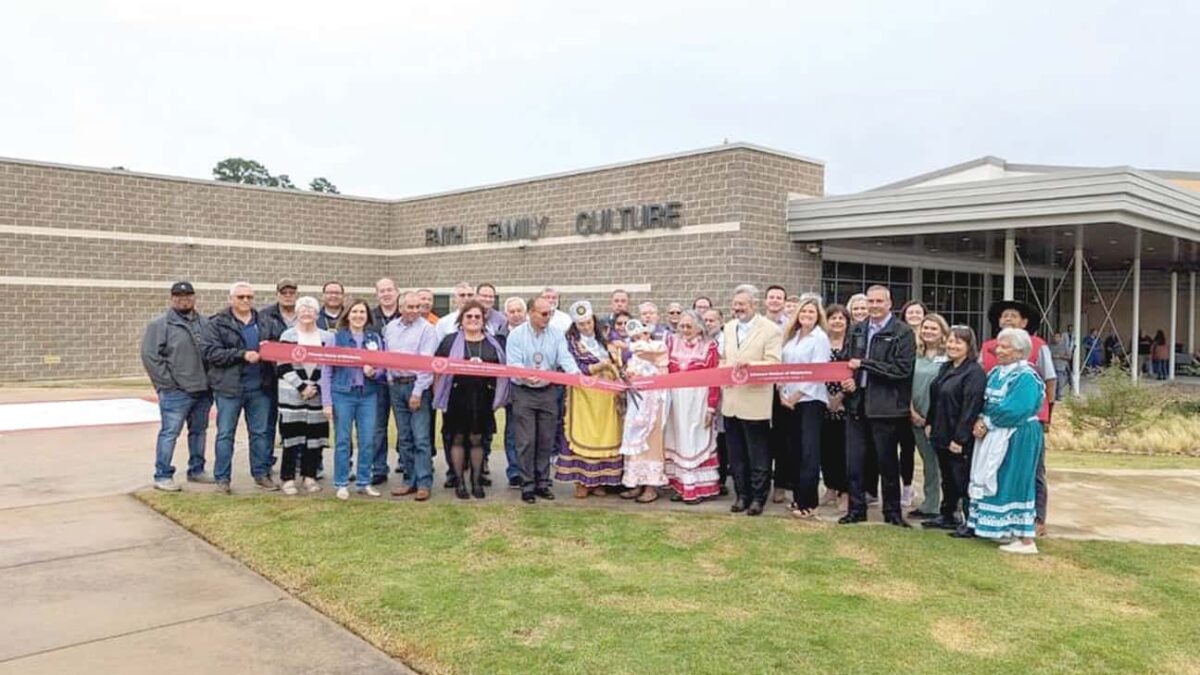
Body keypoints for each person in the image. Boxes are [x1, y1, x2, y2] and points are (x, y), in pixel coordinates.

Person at [840, 285, 916, 528]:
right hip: (857, 404)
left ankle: (892, 513)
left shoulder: (902, 332)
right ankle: (856, 510)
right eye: (870, 301)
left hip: (886, 406)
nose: (874, 306)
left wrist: (865, 364)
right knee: (854, 463)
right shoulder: (857, 329)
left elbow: (902, 369)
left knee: (887, 463)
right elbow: (847, 362)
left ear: (889, 303)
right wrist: (848, 379)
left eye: (878, 301)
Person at [981, 300, 1055, 537]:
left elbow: (1049, 380)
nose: (1008, 319)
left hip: (1026, 419)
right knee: (1001, 469)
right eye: (1004, 316)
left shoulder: (1037, 347)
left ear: (1024, 322)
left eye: (1013, 316)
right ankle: (1000, 521)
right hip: (996, 420)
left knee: (1031, 471)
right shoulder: (989, 347)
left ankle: (1036, 519)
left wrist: (1048, 413)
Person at [968, 328, 1045, 554]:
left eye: (1005, 347)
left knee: (1018, 479)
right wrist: (981, 418)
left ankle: (1026, 538)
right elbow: (986, 402)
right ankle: (1006, 529)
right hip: (996, 431)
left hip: (1018, 434)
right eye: (998, 346)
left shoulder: (1026, 376)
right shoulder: (996, 373)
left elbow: (1017, 409)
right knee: (1001, 477)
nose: (999, 350)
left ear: (1020, 351)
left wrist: (987, 422)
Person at [202, 282, 277, 493]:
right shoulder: (216, 323)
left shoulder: (264, 321)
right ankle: (222, 479)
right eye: (241, 297)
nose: (245, 300)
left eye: (249, 297)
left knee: (260, 433)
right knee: (225, 434)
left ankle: (261, 474)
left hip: (260, 387)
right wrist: (241, 355)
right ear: (231, 299)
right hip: (229, 388)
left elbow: (277, 346)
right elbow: (210, 353)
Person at [505, 296, 580, 503]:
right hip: (523, 392)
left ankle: (543, 483)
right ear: (531, 313)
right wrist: (525, 374)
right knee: (526, 440)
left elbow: (565, 358)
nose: (548, 317)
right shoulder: (516, 335)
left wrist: (576, 375)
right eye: (544, 313)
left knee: (546, 439)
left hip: (548, 392)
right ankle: (527, 484)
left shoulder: (557, 334)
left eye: (551, 313)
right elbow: (513, 363)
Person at [433, 300, 509, 499]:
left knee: (478, 439)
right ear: (462, 319)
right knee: (457, 438)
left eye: (477, 316)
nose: (473, 319)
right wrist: (437, 392)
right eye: (469, 316)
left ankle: (476, 482)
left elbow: (502, 369)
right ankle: (459, 483)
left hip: (483, 398)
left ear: (483, 320)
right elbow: (437, 368)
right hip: (456, 396)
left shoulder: (493, 342)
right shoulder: (449, 341)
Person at [142, 281, 213, 491]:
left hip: (203, 389)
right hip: (176, 392)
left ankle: (197, 470)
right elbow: (150, 356)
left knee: (199, 432)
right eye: (179, 296)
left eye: (188, 296)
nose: (184, 300)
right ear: (172, 298)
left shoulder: (205, 323)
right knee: (170, 433)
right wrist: (168, 384)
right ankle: (163, 475)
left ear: (194, 297)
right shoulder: (160, 324)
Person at [721, 284, 783, 516]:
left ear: (754, 305)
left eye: (742, 305)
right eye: (735, 304)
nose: (737, 308)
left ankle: (758, 498)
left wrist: (751, 366)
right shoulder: (728, 328)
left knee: (758, 455)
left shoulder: (770, 329)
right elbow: (724, 358)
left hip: (755, 401)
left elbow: (774, 363)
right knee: (736, 455)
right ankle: (741, 495)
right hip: (731, 401)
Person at [556, 301, 625, 498]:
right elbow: (570, 366)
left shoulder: (605, 338)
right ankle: (582, 481)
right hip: (583, 395)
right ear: (575, 325)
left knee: (606, 434)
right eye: (581, 324)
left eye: (588, 323)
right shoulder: (570, 342)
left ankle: (599, 480)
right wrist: (597, 367)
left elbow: (619, 360)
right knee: (584, 433)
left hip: (607, 396)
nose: (586, 327)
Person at [922, 325, 986, 533]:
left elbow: (970, 407)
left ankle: (970, 521)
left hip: (958, 436)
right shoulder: (946, 367)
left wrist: (960, 438)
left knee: (962, 479)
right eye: (950, 341)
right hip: (941, 431)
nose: (952, 345)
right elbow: (936, 397)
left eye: (958, 342)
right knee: (947, 478)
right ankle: (948, 514)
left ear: (969, 346)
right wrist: (930, 422)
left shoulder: (974, 372)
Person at [320, 299, 385, 501]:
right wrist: (327, 402)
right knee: (343, 440)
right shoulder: (336, 338)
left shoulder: (374, 338)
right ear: (347, 315)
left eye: (362, 312)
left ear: (368, 316)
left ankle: (364, 482)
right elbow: (326, 371)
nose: (358, 315)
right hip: (342, 394)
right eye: (354, 311)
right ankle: (341, 483)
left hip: (368, 395)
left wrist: (374, 372)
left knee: (367, 440)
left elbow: (383, 366)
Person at [778, 296, 831, 518]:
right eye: (804, 311)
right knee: (795, 451)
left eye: (811, 312)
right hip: (789, 401)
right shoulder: (792, 336)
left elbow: (818, 371)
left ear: (818, 316)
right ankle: (798, 497)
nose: (807, 315)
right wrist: (782, 392)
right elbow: (782, 366)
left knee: (809, 452)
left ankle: (809, 503)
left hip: (810, 401)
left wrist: (797, 395)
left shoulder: (820, 338)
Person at [383, 292, 439, 501]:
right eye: (411, 307)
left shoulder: (427, 329)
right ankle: (409, 480)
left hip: (417, 387)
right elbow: (386, 355)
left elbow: (426, 363)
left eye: (418, 307)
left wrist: (417, 391)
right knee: (404, 437)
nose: (416, 311)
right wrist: (390, 378)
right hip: (396, 386)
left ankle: (424, 482)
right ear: (401, 308)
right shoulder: (390, 328)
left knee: (421, 438)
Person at [664, 310, 721, 504]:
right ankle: (681, 486)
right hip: (676, 400)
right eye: (682, 326)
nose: (685, 330)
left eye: (689, 326)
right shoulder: (671, 342)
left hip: (698, 400)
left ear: (699, 328)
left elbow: (715, 378)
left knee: (695, 440)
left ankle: (698, 488)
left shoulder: (710, 346)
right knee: (679, 441)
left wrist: (711, 407)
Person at [275, 296, 332, 495]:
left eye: (311, 309)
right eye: (303, 309)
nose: (307, 313)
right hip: (292, 395)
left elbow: (328, 365)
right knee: (291, 438)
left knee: (314, 439)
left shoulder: (327, 337)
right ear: (297, 313)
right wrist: (301, 387)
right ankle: (288, 478)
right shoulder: (287, 335)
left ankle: (310, 477)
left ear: (317, 314)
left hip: (317, 395)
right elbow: (283, 365)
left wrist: (315, 385)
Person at [618, 320, 671, 503]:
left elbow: (649, 354)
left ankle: (651, 486)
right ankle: (635, 482)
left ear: (648, 334)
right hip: (637, 403)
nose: (637, 341)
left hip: (654, 402)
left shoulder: (658, 347)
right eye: (633, 338)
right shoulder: (634, 358)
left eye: (640, 336)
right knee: (634, 439)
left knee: (651, 441)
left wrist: (627, 345)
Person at [908, 313, 949, 519]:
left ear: (942, 332)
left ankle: (950, 505)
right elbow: (906, 384)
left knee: (945, 464)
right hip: (917, 417)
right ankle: (930, 504)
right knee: (929, 463)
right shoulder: (914, 355)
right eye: (925, 328)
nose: (928, 332)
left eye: (933, 328)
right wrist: (912, 412)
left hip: (942, 420)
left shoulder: (949, 356)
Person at [259, 278, 300, 472]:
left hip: (297, 379)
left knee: (294, 423)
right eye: (284, 293)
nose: (288, 296)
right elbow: (263, 343)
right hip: (271, 378)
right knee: (268, 424)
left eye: (292, 293)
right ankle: (265, 462)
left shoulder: (304, 314)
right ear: (277, 294)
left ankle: (296, 462)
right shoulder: (265, 315)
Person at [369, 278, 403, 486]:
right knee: (377, 427)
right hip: (377, 381)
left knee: (404, 426)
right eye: (382, 291)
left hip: (401, 379)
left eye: (390, 290)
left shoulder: (407, 314)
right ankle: (379, 468)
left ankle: (406, 463)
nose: (386, 294)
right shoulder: (368, 317)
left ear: (397, 292)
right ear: (377, 294)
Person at [896, 300, 928, 507]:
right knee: (906, 448)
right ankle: (907, 487)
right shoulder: (900, 338)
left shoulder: (932, 341)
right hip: (903, 401)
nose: (914, 315)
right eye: (911, 312)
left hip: (925, 403)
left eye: (918, 312)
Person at [820, 304, 850, 508]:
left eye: (841, 318)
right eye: (833, 318)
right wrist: (827, 398)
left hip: (846, 404)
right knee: (826, 448)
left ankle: (845, 492)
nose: (837, 322)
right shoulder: (821, 342)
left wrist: (839, 398)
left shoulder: (852, 344)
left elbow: (855, 373)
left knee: (845, 450)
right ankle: (830, 488)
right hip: (822, 401)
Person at [497, 297, 528, 488]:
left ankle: (530, 471)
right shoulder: (499, 335)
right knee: (512, 431)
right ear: (506, 314)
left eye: (519, 311)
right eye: (512, 311)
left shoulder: (533, 333)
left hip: (531, 388)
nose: (516, 315)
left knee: (531, 433)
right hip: (509, 389)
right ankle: (515, 471)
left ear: (525, 313)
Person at [702, 307, 729, 494]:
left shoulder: (727, 341)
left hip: (723, 395)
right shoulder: (700, 342)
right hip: (702, 395)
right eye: (705, 320)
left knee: (722, 438)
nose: (708, 324)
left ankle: (721, 479)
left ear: (721, 322)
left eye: (712, 320)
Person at [1050, 332, 1071, 399]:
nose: (1056, 338)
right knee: (1053, 382)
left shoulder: (1065, 347)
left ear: (1060, 338)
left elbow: (1069, 357)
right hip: (1052, 367)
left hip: (1061, 367)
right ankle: (1053, 395)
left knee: (1060, 382)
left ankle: (1059, 395)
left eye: (1057, 337)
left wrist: (1060, 356)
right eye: (1054, 337)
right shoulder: (1050, 346)